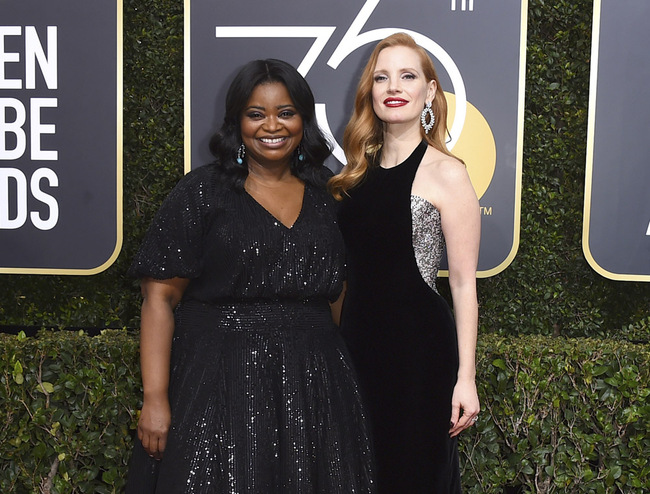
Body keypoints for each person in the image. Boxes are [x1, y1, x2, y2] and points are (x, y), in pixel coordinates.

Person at [126, 59, 375, 493]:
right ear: (236, 122)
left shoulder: (329, 195)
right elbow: (159, 299)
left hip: (315, 384)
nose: (271, 126)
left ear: (304, 120)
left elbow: (341, 297)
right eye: (256, 114)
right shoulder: (201, 192)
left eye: (286, 112)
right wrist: (155, 398)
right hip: (217, 381)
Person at [328, 33, 481, 493]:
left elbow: (462, 285)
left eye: (408, 76)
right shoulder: (352, 175)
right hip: (356, 347)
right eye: (382, 77)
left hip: (419, 355)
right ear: (370, 93)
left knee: (414, 473)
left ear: (429, 91)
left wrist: (466, 378)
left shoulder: (447, 173)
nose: (394, 86)